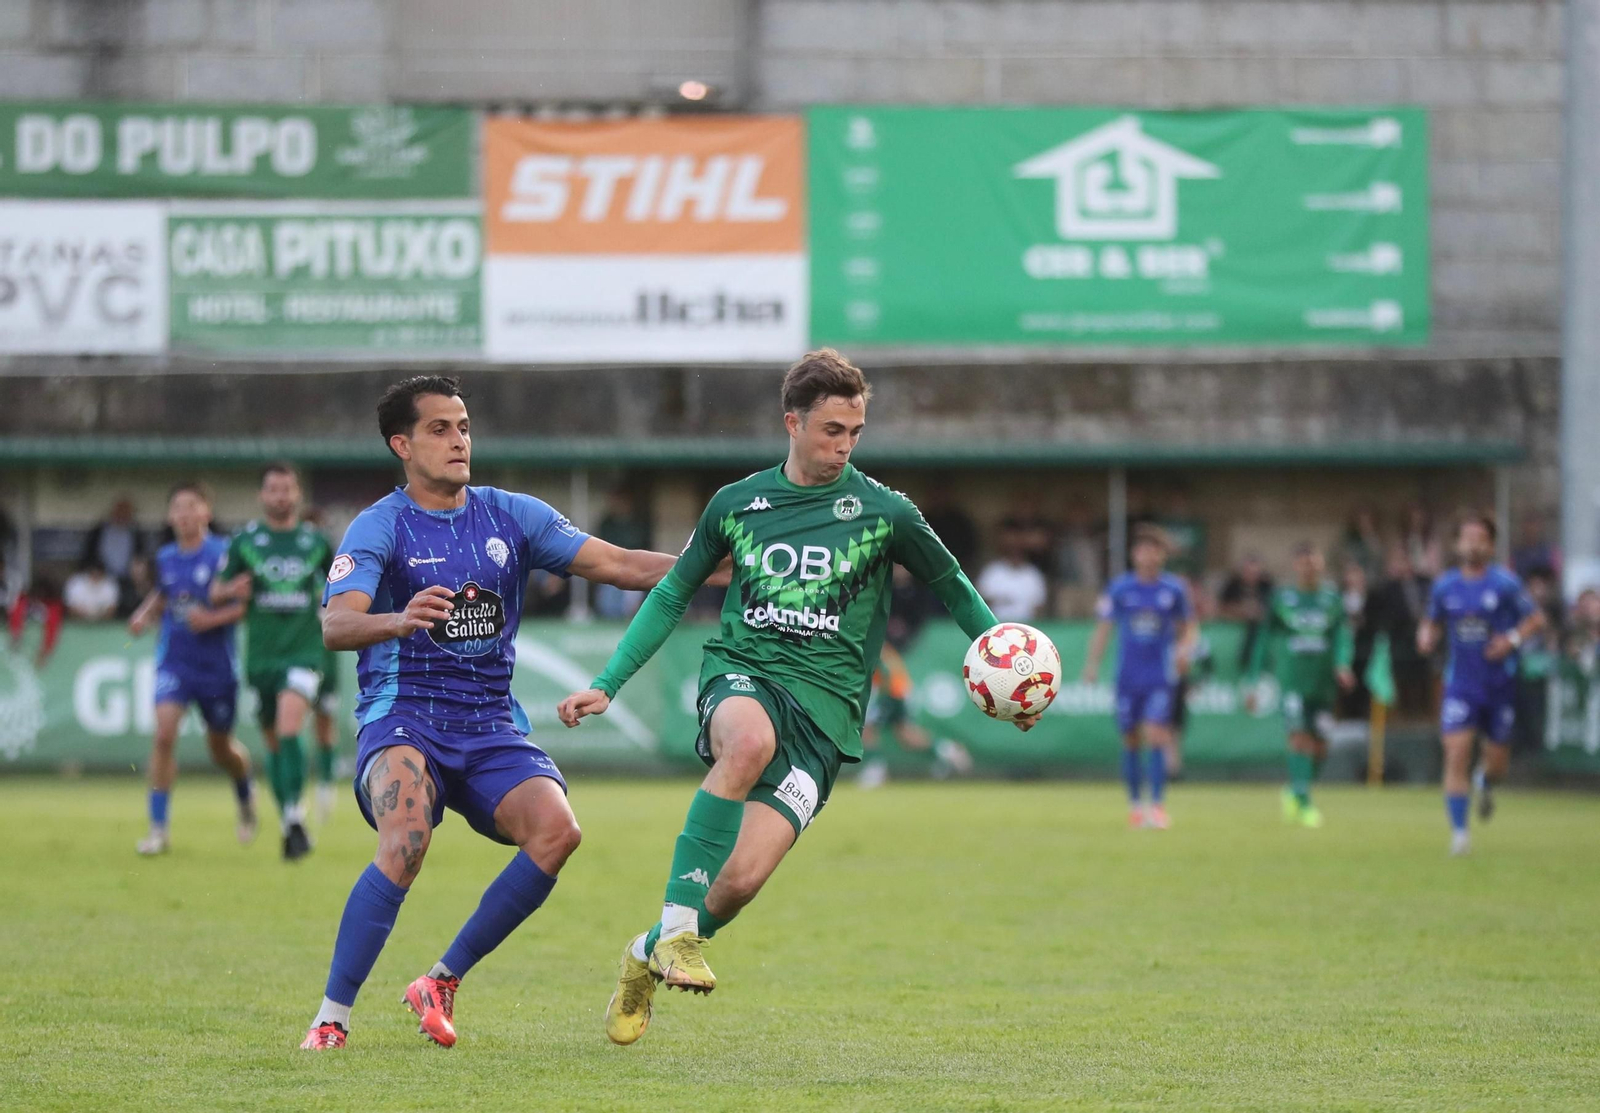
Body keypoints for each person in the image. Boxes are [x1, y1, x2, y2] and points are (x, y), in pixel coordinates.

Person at [555, 349, 1027, 1048]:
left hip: (827, 718)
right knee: (748, 742)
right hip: (744, 671)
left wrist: (1005, 661)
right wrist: (606, 683)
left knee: (738, 883)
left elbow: (952, 584)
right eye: (832, 430)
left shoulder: (886, 512)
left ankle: (644, 953)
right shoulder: (737, 504)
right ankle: (678, 930)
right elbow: (674, 592)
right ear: (793, 422)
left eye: (855, 432)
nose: (844, 445)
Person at [300, 375, 682, 1051]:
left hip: (488, 726)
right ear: (402, 445)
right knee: (406, 837)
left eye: (464, 427)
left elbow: (621, 564)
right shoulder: (380, 525)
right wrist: (397, 619)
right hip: (404, 719)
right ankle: (332, 1018)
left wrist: (718, 563)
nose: (459, 440)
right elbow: (335, 624)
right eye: (440, 429)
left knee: (558, 832)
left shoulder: (512, 515)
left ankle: (440, 981)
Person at [126, 484, 257, 856]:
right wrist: (144, 614)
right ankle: (158, 829)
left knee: (221, 749)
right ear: (170, 516)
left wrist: (211, 619)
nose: (184, 514)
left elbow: (246, 605)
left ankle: (245, 794)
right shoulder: (166, 556)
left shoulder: (225, 553)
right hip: (175, 661)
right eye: (177, 508)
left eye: (191, 506)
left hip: (217, 668)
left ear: (206, 512)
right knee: (164, 735)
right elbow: (164, 594)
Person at [212, 463, 333, 862]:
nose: (281, 496)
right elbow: (215, 592)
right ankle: (288, 822)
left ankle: (295, 816)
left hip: (304, 651)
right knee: (274, 742)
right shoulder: (245, 541)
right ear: (262, 496)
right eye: (273, 489)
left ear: (297, 494)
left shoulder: (316, 542)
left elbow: (341, 586)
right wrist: (232, 588)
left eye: (287, 489)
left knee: (289, 725)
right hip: (262, 656)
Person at [1416, 514, 1545, 856]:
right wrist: (1426, 635)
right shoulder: (1445, 586)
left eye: (1480, 539)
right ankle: (1460, 833)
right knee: (1456, 752)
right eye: (1467, 538)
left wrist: (1511, 639)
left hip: (1499, 683)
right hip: (1460, 684)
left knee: (1498, 764)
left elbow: (1536, 619)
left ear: (1491, 545)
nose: (1473, 545)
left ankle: (1484, 782)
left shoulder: (1506, 584)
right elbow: (1432, 621)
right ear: (1457, 544)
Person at [1082, 526, 1196, 830]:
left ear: (1162, 555)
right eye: (1142, 549)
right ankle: (1135, 806)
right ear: (1134, 554)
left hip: (1159, 677)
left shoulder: (1173, 589)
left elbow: (1189, 627)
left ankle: (1157, 807)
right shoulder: (1120, 588)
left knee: (1157, 735)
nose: (1147, 555)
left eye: (1153, 550)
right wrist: (1092, 664)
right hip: (1127, 677)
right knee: (1131, 739)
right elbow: (1104, 627)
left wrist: (1184, 651)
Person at [1244, 543, 1355, 828]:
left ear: (1321, 564)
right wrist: (1254, 679)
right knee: (1298, 738)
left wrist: (1343, 663)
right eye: (1303, 563)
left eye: (1313, 562)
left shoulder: (1332, 599)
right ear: (1295, 566)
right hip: (1293, 681)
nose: (1308, 568)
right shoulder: (1282, 598)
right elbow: (1264, 639)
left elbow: (1342, 635)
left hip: (1323, 683)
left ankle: (1295, 789)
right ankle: (1305, 804)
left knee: (1320, 746)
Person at [976, 526, 1049, 621]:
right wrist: (1001, 600)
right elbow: (980, 602)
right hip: (995, 624)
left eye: (1018, 550)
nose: (1015, 553)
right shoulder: (992, 571)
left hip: (1026, 625)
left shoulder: (1033, 574)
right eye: (1011, 549)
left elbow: (1040, 606)